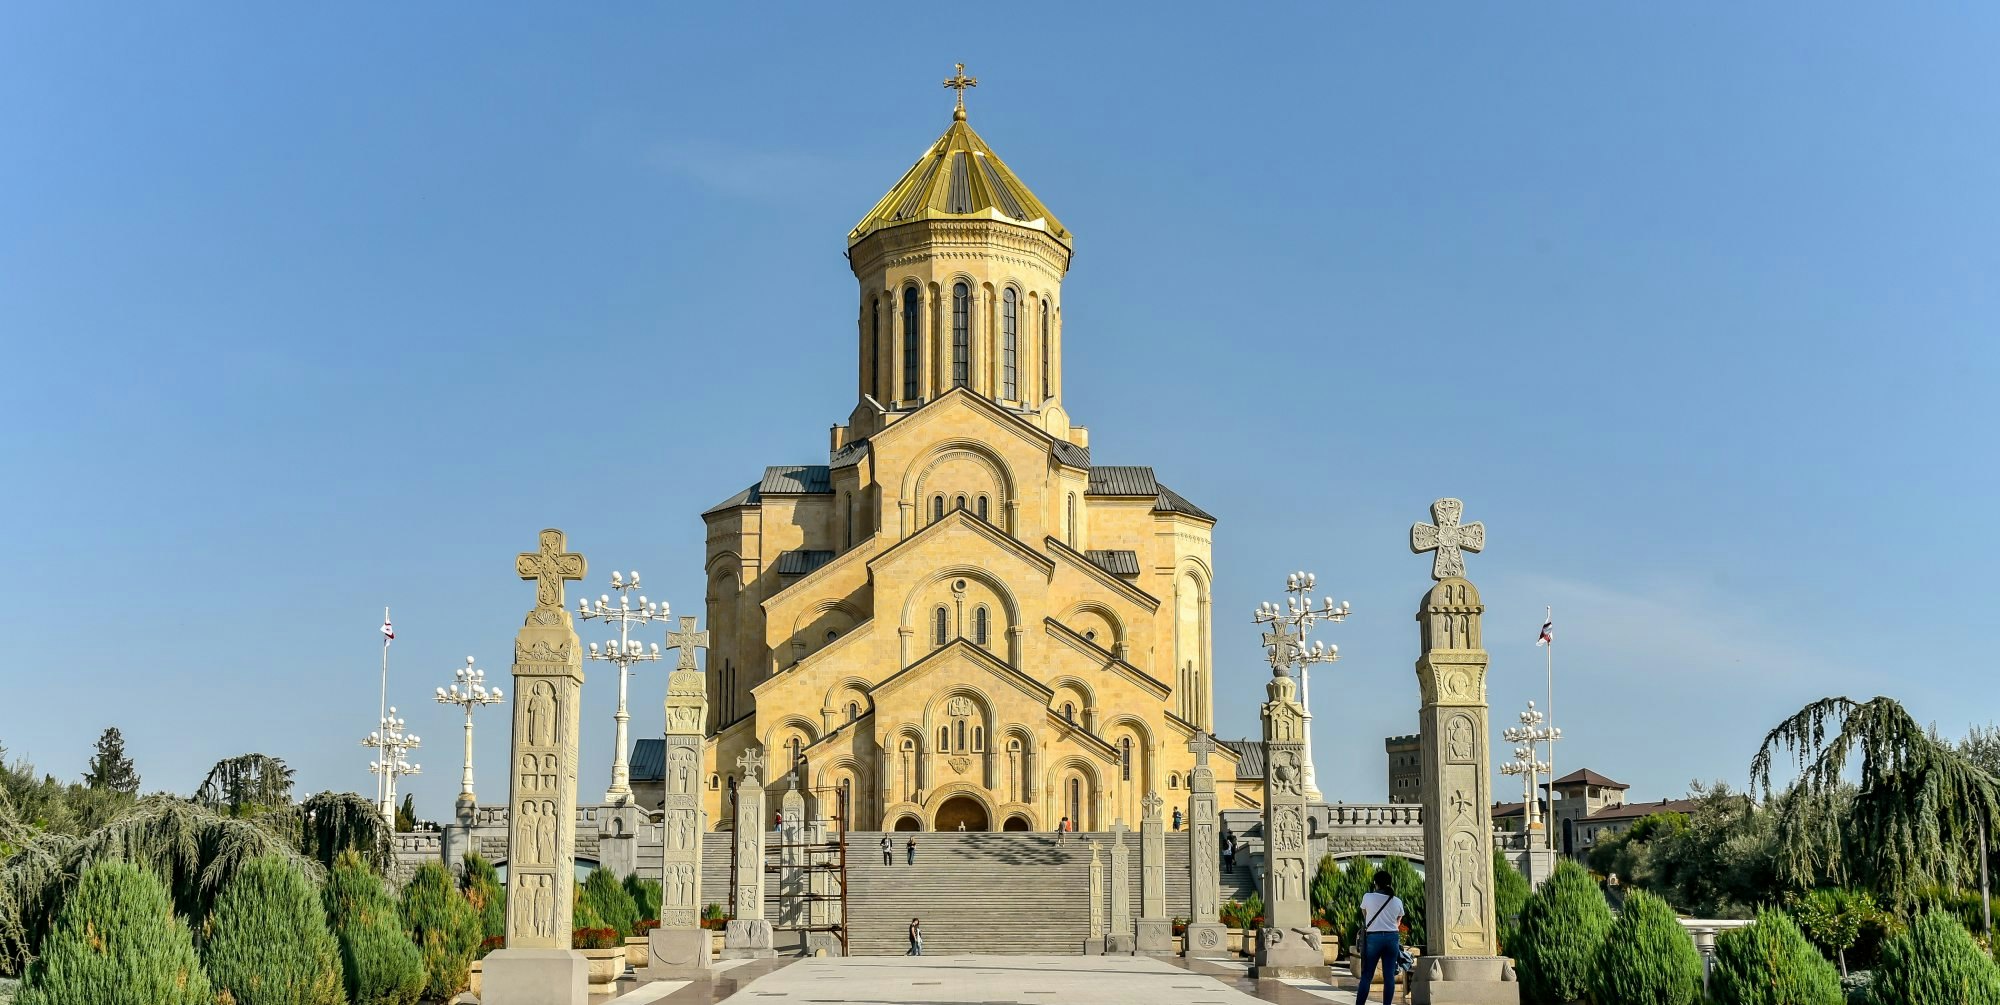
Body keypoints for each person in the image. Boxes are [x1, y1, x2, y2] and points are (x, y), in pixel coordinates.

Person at [1354, 870, 1405, 1005]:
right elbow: (1398, 921)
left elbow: (1365, 916)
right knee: (1389, 976)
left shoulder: (1368, 897)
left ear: (1375, 883)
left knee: (1367, 975)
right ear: (1390, 883)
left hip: (1373, 938)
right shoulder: (1397, 900)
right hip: (1391, 938)